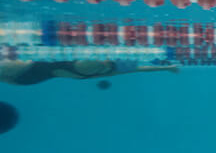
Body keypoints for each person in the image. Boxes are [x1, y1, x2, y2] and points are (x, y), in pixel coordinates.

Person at [0, 59, 178, 86]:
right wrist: (166, 68)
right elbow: (138, 70)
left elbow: (136, 70)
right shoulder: (103, 72)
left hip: (29, 71)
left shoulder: (85, 65)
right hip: (27, 79)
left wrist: (166, 68)